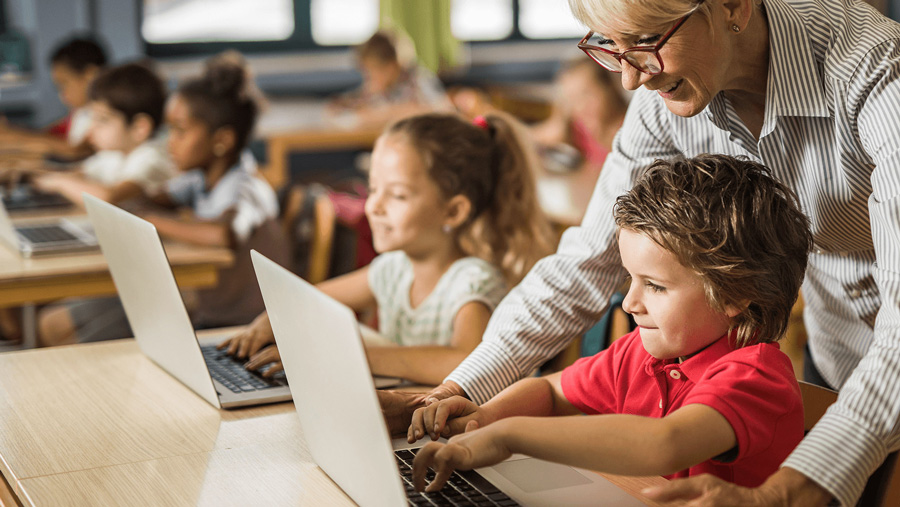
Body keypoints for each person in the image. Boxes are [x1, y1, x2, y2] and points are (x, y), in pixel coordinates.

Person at [378, 0, 900, 504]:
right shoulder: (665, 93)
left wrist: (789, 492)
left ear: (734, 7)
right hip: (840, 345)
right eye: (612, 46)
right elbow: (586, 261)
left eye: (648, 39)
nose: (630, 79)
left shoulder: (877, 72)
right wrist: (454, 391)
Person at [408, 154, 810, 492]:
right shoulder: (641, 352)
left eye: (655, 286)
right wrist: (484, 419)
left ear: (734, 294)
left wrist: (506, 435)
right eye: (629, 279)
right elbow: (549, 392)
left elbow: (664, 445)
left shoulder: (756, 376)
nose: (630, 302)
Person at [218, 112, 556, 385]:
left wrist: (352, 354)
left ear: (453, 211)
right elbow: (305, 300)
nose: (373, 207)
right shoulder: (393, 268)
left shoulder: (473, 280)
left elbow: (467, 360)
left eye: (397, 195)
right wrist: (267, 322)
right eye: (373, 188)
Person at [37, 51, 286, 346]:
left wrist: (148, 218)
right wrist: (137, 203)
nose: (170, 141)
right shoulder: (199, 178)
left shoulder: (246, 186)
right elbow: (154, 199)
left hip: (237, 325)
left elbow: (223, 234)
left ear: (222, 140)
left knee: (75, 338)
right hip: (199, 303)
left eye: (180, 131)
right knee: (56, 324)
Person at [31, 62, 173, 207]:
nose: (91, 129)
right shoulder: (114, 155)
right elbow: (77, 173)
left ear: (139, 128)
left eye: (102, 120)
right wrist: (30, 174)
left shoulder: (152, 158)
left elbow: (108, 198)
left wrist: (58, 183)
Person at [0, 36, 106, 161]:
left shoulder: (105, 114)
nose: (62, 94)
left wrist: (12, 135)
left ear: (90, 75)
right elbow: (47, 136)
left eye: (64, 84)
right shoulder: (79, 113)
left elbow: (76, 150)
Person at [326, 30, 452, 129]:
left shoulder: (417, 79)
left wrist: (387, 113)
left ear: (392, 66)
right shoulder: (377, 87)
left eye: (374, 71)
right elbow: (339, 108)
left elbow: (443, 112)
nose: (369, 77)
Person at [530, 57, 628, 169]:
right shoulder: (579, 127)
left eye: (586, 94)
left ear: (610, 88)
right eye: (572, 99)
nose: (581, 106)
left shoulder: (632, 127)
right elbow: (527, 139)